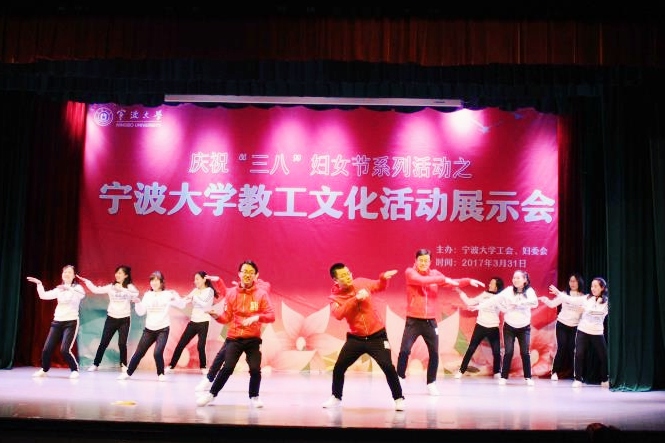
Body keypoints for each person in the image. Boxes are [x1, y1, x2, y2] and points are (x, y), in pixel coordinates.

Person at [396, 248, 484, 395]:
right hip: (413, 320)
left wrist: (468, 281)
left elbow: (452, 283)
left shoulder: (435, 274)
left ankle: (431, 383)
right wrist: (443, 279)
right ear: (416, 261)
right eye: (420, 260)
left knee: (434, 353)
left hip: (430, 321)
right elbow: (422, 281)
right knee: (405, 350)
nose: (423, 263)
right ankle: (400, 378)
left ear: (430, 262)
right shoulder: (410, 272)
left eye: (426, 260)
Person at [321, 262, 406, 411]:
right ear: (335, 280)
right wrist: (355, 299)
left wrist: (383, 278)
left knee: (388, 367)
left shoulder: (361, 282)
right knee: (339, 367)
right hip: (356, 339)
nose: (348, 277)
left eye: (348, 273)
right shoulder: (335, 298)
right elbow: (338, 314)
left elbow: (379, 286)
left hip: (377, 336)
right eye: (343, 276)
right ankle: (336, 397)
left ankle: (399, 398)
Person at [196, 260, 275, 408]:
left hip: (253, 339)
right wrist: (216, 316)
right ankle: (211, 394)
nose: (247, 275)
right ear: (239, 274)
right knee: (227, 367)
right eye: (245, 271)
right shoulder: (232, 293)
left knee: (255, 369)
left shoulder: (261, 294)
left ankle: (254, 397)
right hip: (234, 338)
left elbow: (271, 316)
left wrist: (257, 317)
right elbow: (226, 318)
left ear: (256, 275)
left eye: (251, 272)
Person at [117, 271, 186, 381]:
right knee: (139, 353)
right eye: (152, 280)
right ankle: (128, 373)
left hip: (163, 329)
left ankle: (161, 374)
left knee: (157, 352)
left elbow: (182, 305)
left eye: (156, 280)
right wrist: (138, 302)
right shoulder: (147, 295)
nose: (154, 283)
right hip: (149, 330)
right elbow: (141, 312)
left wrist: (176, 296)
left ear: (161, 282)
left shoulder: (167, 294)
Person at [476, 269, 539, 385]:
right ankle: (504, 377)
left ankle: (528, 377)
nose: (515, 280)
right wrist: (478, 307)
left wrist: (519, 304)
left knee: (525, 353)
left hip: (524, 327)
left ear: (525, 280)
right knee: (508, 352)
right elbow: (494, 299)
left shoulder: (529, 291)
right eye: (514, 278)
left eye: (518, 278)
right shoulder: (509, 290)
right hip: (509, 327)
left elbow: (535, 303)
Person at [26, 264, 86, 379]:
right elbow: (43, 296)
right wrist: (39, 284)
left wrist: (69, 288)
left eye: (69, 272)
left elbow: (82, 295)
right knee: (47, 349)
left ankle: (74, 370)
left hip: (71, 322)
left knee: (64, 350)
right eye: (65, 272)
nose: (66, 274)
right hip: (57, 322)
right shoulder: (59, 289)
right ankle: (44, 369)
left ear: (74, 275)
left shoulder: (77, 288)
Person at [77, 265, 139, 372]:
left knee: (122, 343)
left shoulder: (130, 287)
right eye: (117, 273)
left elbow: (135, 294)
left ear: (126, 275)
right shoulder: (111, 287)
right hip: (111, 318)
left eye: (120, 273)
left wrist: (122, 289)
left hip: (124, 319)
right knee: (104, 342)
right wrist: (88, 282)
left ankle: (123, 365)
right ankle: (95, 364)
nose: (117, 275)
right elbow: (96, 290)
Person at [550, 277, 609, 388]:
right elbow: (571, 299)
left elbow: (600, 313)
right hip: (583, 330)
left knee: (603, 356)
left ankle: (604, 379)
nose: (593, 288)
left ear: (602, 288)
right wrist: (559, 293)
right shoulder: (587, 298)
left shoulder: (606, 301)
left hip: (597, 332)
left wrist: (585, 310)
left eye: (596, 286)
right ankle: (578, 379)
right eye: (592, 286)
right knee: (579, 354)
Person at [166, 270, 219, 374]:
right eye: (195, 279)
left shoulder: (209, 291)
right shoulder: (195, 291)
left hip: (203, 322)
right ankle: (171, 366)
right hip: (193, 322)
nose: (195, 281)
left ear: (204, 279)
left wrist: (194, 297)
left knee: (200, 346)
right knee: (181, 344)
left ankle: (203, 367)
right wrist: (175, 296)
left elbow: (205, 304)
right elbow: (183, 303)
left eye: (197, 279)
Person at [454, 276, 505, 379]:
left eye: (492, 283)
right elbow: (470, 302)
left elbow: (506, 308)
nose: (489, 284)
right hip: (480, 326)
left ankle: (497, 372)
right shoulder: (484, 294)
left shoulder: (501, 298)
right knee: (471, 349)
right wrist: (460, 292)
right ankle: (461, 370)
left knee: (496, 351)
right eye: (490, 282)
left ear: (497, 287)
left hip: (493, 327)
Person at [540, 273, 585, 380]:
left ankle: (576, 374)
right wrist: (545, 299)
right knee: (562, 347)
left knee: (572, 349)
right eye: (570, 281)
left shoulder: (583, 297)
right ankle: (555, 372)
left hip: (575, 326)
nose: (572, 283)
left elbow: (584, 312)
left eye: (575, 281)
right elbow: (552, 304)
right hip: (562, 324)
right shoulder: (564, 294)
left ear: (579, 282)